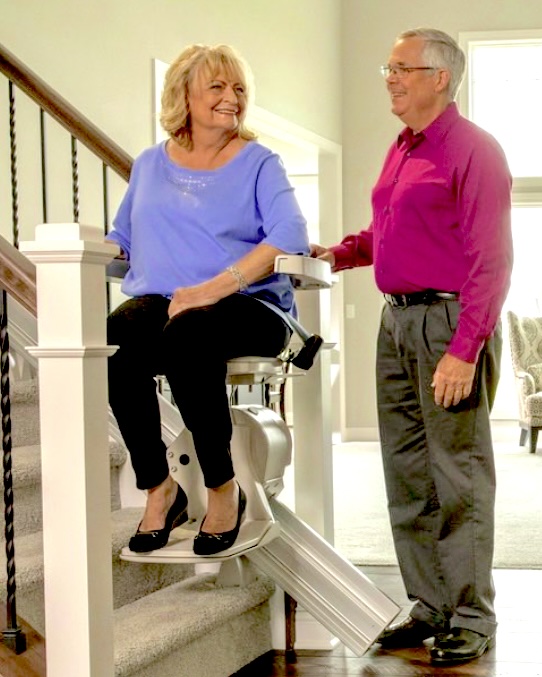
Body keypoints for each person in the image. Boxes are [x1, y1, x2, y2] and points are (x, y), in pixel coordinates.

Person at [312, 28, 512, 665]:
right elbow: (386, 232)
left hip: (450, 323)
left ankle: (473, 614)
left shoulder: (474, 150)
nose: (391, 78)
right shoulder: (402, 149)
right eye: (388, 68)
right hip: (396, 323)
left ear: (440, 77)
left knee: (459, 475)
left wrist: (464, 348)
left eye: (402, 69)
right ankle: (430, 605)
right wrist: (337, 254)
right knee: (406, 471)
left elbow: (492, 260)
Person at [106, 44, 309, 557]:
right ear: (185, 97)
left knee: (190, 332)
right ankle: (160, 488)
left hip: (253, 305)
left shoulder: (260, 162)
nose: (231, 98)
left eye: (238, 88)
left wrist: (211, 289)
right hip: (169, 302)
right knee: (116, 338)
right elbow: (122, 238)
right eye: (216, 86)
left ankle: (222, 488)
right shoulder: (151, 164)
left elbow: (290, 235)